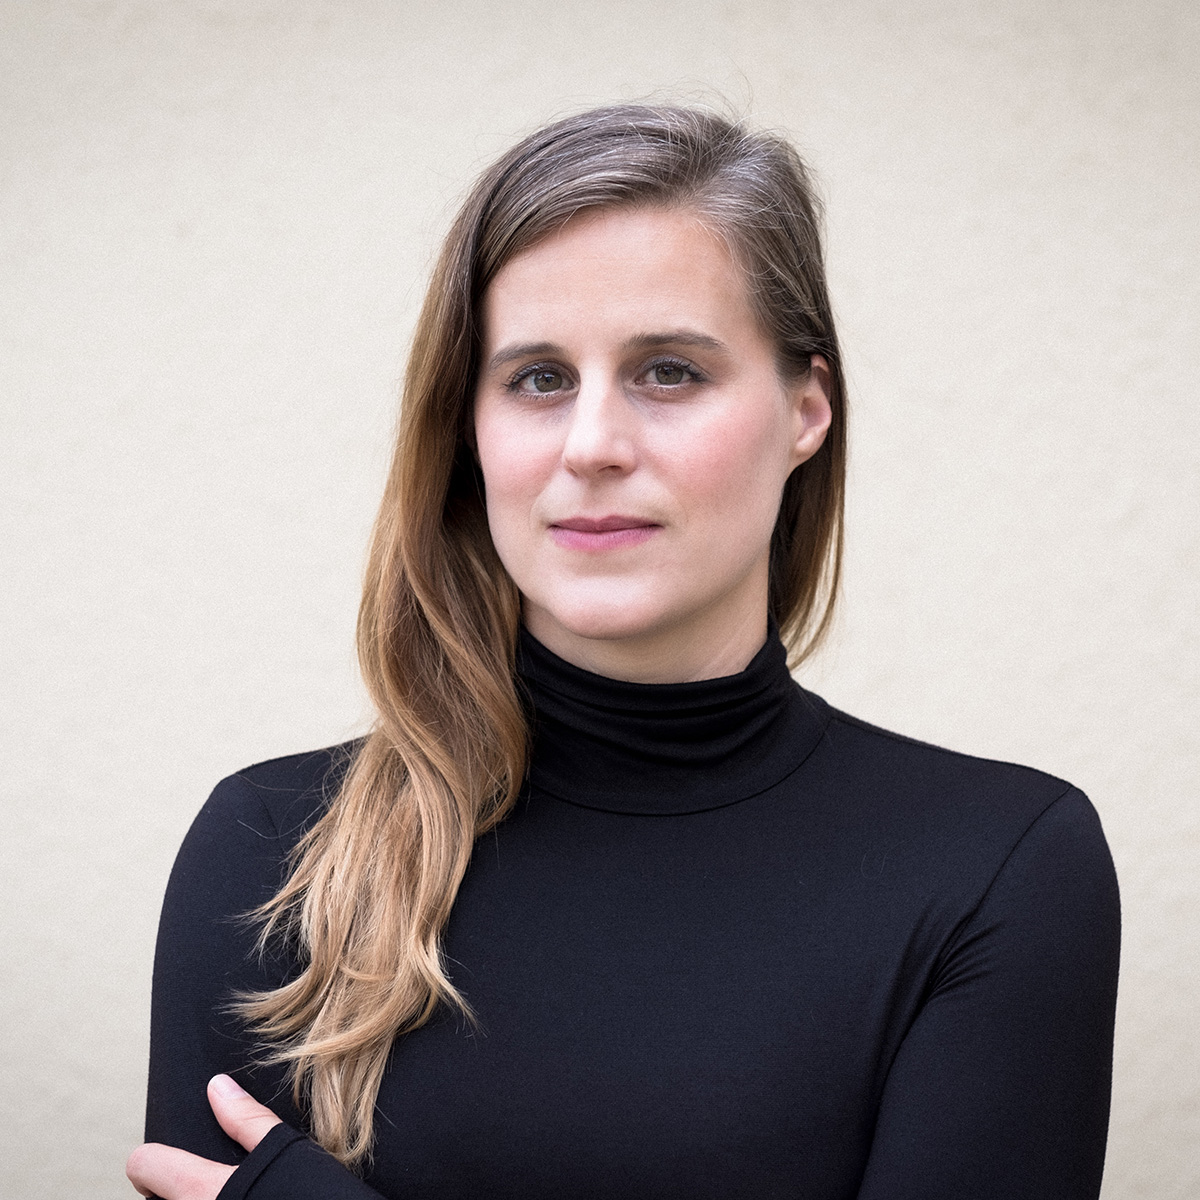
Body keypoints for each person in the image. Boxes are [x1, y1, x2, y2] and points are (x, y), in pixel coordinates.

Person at [126, 104, 1120, 1200]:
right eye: (538, 379)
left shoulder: (997, 869)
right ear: (470, 432)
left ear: (806, 409)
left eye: (669, 371)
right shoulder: (277, 858)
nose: (592, 445)